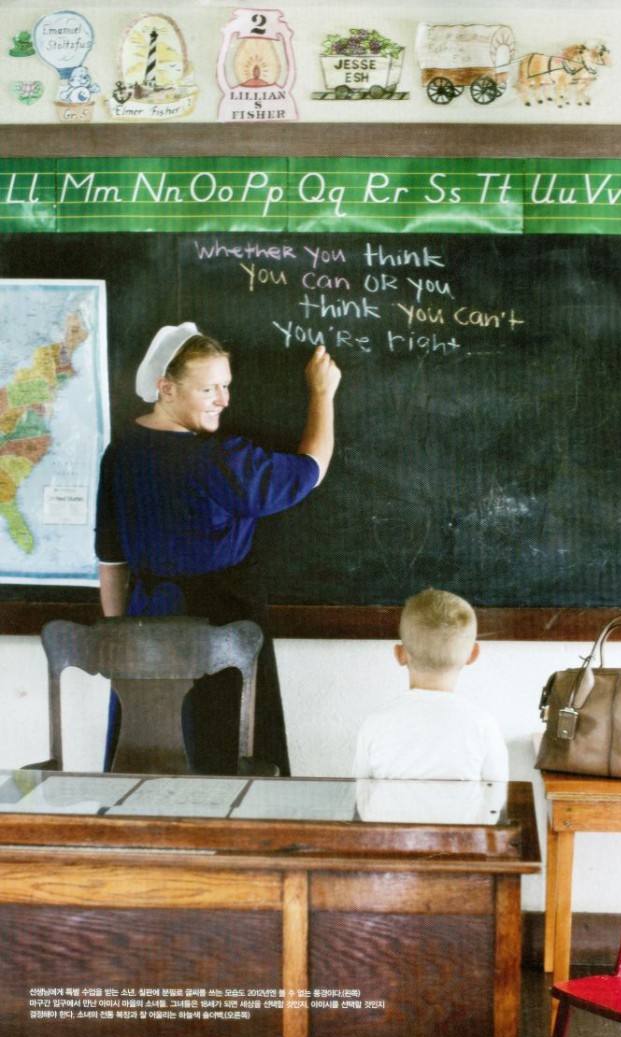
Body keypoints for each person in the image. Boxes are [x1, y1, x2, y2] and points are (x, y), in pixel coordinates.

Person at [95, 322, 341, 774]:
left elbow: (111, 562)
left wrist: (119, 642)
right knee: (224, 762)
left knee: (148, 761)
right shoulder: (218, 460)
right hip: (221, 635)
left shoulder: (119, 452)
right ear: (165, 389)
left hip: (144, 630)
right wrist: (322, 395)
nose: (224, 400)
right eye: (209, 389)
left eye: (226, 386)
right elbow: (311, 469)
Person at [353, 588, 509, 782]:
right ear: (472, 654)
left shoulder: (375, 723)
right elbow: (496, 800)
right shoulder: (483, 726)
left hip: (388, 814)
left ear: (400, 654)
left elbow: (361, 793)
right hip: (459, 813)